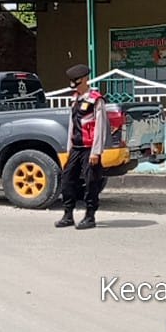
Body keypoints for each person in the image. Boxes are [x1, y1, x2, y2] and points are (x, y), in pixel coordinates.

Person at [56, 65, 108, 230]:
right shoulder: (75, 99)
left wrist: (96, 152)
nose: (75, 86)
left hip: (89, 149)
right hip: (76, 148)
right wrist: (69, 148)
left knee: (91, 182)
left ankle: (90, 216)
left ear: (85, 79)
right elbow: (72, 125)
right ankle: (68, 214)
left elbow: (100, 127)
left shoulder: (96, 99)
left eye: (77, 83)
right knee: (67, 180)